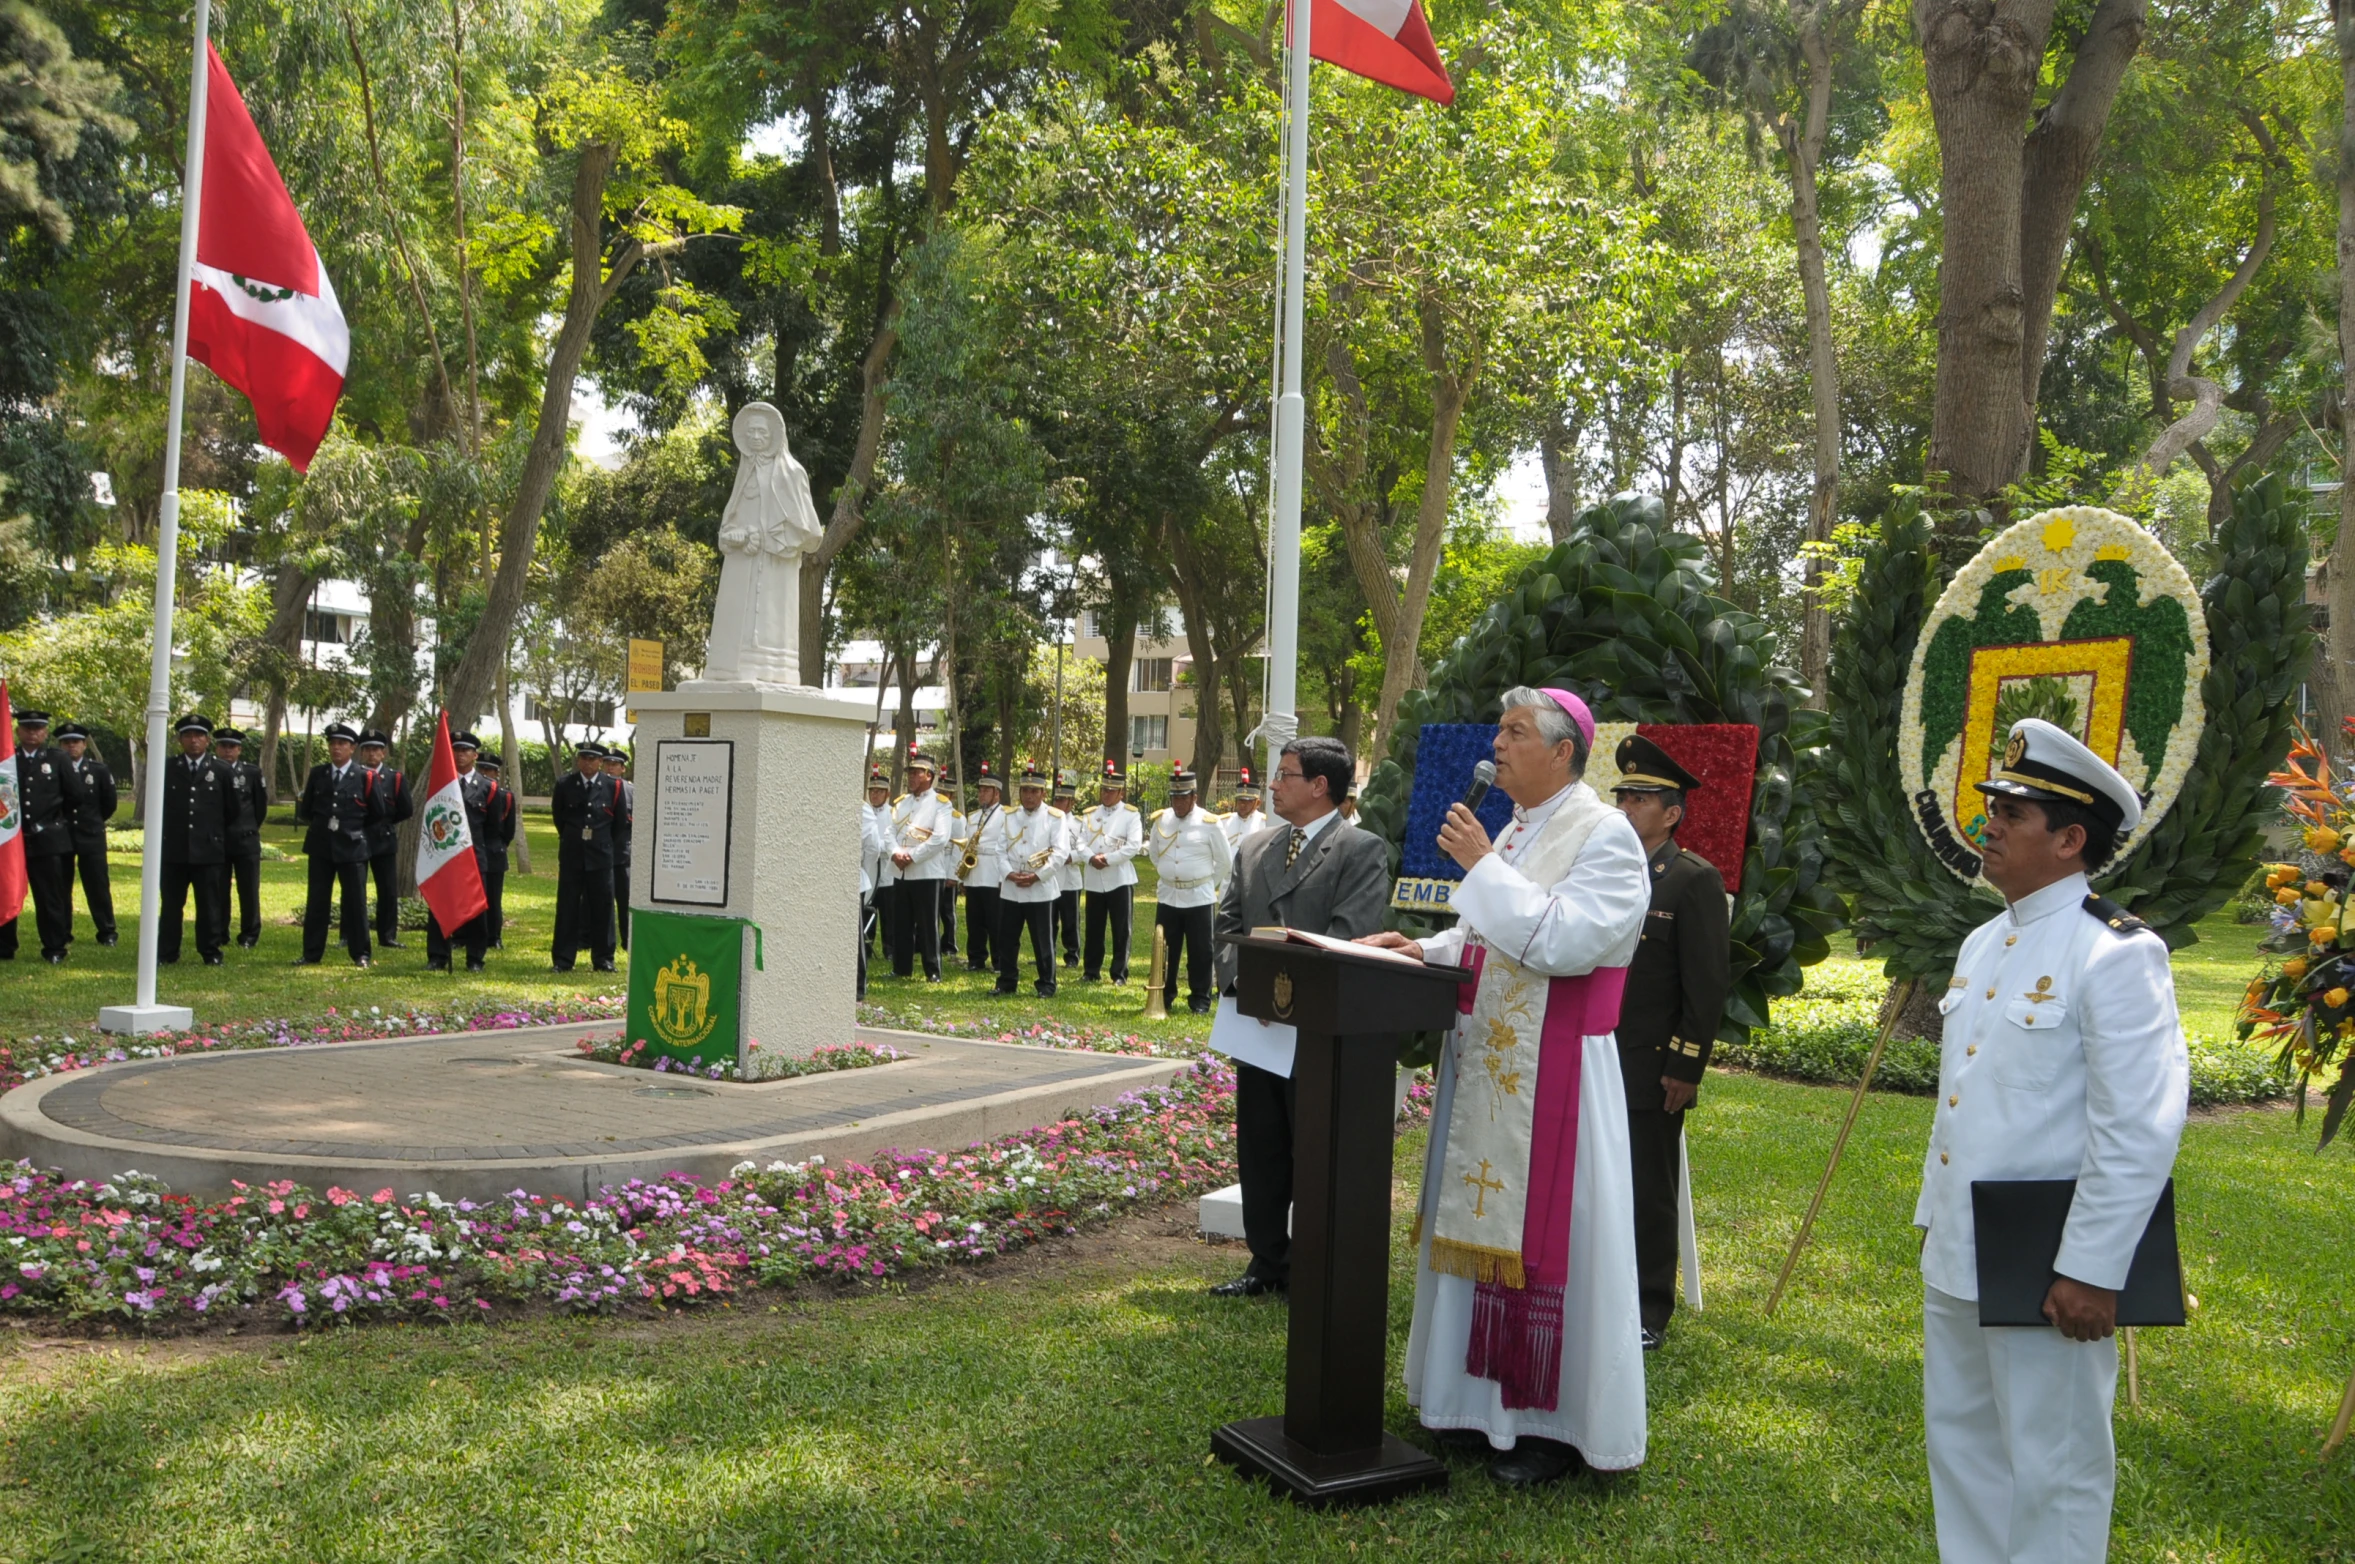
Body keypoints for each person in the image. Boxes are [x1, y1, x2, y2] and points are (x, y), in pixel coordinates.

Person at [1360, 686, 1649, 1488]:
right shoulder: (1521, 830)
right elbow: (1490, 932)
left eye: (1515, 732)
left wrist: (1479, 866)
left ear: (1562, 751)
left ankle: (1547, 1427)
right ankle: (1469, 1404)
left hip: (1558, 1082)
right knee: (1474, 1223)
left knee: (1562, 1242)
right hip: (1491, 1065)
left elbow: (1562, 940)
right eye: (1500, 729)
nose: (1498, 744)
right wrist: (1425, 950)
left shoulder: (1606, 836)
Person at [1917, 717, 2187, 1562]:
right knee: (1961, 1451)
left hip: (2048, 1262)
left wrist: (2090, 1269)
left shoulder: (2114, 955)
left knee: (2055, 1467)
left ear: (2070, 840)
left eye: (2014, 813)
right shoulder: (1982, 940)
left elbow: (2137, 1127)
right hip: (1964, 1245)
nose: (1988, 823)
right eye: (1993, 805)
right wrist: (1934, 1218)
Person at [1209, 735, 1391, 1297]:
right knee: (1260, 1146)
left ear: (1320, 786)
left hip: (1313, 1027)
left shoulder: (1361, 849)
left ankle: (1314, 1266)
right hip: (1255, 1025)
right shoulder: (1256, 846)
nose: (1272, 784)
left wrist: (1282, 992)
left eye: (1285, 774)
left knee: (1312, 1147)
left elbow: (1348, 933)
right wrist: (1245, 983)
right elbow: (1227, 924)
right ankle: (1267, 1263)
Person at [1609, 733, 1730, 1350]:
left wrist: (1686, 1067)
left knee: (1647, 1190)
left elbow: (1704, 986)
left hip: (1651, 1067)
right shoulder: (1604, 874)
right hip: (1597, 1057)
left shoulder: (1690, 881)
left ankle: (1648, 1310)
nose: (1626, 806)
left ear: (1672, 812)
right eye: (1623, 796)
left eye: (1640, 798)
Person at [1145, 765, 1231, 1014]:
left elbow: (1224, 862)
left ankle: (1200, 999)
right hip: (1169, 895)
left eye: (1184, 798)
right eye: (1175, 798)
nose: (1178, 803)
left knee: (1201, 951)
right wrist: (1169, 874)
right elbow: (1154, 854)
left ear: (1194, 797)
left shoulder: (1210, 823)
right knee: (1165, 949)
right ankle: (1165, 994)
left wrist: (1203, 881)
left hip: (1199, 897)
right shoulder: (1162, 820)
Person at [0, 709, 82, 963]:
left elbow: (75, 796)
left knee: (50, 896)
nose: (33, 732)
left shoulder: (57, 759)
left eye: (38, 728)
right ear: (18, 730)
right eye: (27, 728)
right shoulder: (8, 758)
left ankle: (55, 947)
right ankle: (4, 946)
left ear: (46, 731)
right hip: (12, 838)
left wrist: (52, 823)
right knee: (6, 890)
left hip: (47, 838)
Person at [152, 715, 234, 966]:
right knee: (171, 904)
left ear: (208, 740)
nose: (194, 740)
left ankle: (210, 951)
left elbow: (232, 810)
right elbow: (158, 806)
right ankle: (167, 952)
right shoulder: (167, 767)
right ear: (180, 740)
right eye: (188, 735)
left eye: (199, 735)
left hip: (208, 850)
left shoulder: (220, 769)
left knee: (209, 904)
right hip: (174, 849)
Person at [294, 721, 377, 966]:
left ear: (353, 748)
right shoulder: (319, 773)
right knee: (317, 901)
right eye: (332, 743)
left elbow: (376, 813)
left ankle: (360, 953)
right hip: (321, 846)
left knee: (355, 902)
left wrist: (353, 830)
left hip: (352, 846)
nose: (336, 748)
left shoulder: (365, 776)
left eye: (342, 744)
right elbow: (307, 809)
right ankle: (311, 953)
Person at [994, 764, 1066, 997]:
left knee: (1042, 940)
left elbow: (1060, 852)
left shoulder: (1055, 817)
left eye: (1035, 791)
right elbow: (999, 850)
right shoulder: (1009, 816)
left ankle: (1046, 984)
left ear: (1043, 794)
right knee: (1007, 939)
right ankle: (1006, 982)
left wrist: (1038, 875)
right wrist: (1008, 873)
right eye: (1025, 790)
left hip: (1040, 887)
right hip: (1012, 885)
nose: (1029, 795)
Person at [428, 732, 498, 972]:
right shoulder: (443, 784)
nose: (460, 755)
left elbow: (493, 828)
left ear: (475, 755)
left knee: (476, 908)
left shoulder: (488, 788)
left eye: (465, 751)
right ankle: (437, 955)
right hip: (445, 854)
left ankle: (475, 958)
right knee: (440, 904)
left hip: (474, 856)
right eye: (456, 750)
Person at [884, 750, 954, 979]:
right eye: (910, 773)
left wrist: (912, 856)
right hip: (901, 872)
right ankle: (901, 968)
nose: (911, 777)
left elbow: (940, 838)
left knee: (927, 924)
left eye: (916, 773)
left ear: (929, 776)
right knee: (901, 922)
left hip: (926, 872)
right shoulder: (902, 803)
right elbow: (889, 832)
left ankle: (932, 970)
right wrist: (895, 852)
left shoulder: (941, 804)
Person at [551, 742, 618, 972]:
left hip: (601, 856)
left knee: (603, 908)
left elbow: (617, 825)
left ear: (601, 762)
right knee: (568, 906)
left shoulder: (613, 786)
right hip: (572, 855)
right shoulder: (565, 784)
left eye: (592, 759)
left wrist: (602, 843)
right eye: (584, 758)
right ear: (578, 760)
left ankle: (604, 958)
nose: (587, 763)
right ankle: (563, 959)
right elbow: (559, 818)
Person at [1079, 761, 1145, 982]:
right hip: (1095, 879)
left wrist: (1106, 859)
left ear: (1121, 792)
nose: (1106, 794)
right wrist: (1090, 857)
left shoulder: (1130, 815)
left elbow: (1133, 846)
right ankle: (1091, 971)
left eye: (1111, 790)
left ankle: (1119, 973)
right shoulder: (1090, 814)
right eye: (1104, 789)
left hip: (1119, 878)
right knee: (1094, 928)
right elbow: (1079, 842)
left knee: (1121, 929)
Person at [54, 723, 118, 947]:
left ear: (84, 745)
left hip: (90, 835)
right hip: (62, 834)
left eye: (76, 742)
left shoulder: (98, 770)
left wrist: (93, 822)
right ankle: (62, 931)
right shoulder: (53, 769)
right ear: (60, 745)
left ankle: (107, 931)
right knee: (61, 886)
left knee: (97, 885)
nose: (71, 746)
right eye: (66, 742)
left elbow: (109, 803)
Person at [214, 727, 270, 949]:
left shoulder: (251, 773)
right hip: (218, 839)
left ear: (239, 749)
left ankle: (249, 934)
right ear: (217, 748)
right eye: (224, 746)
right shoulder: (212, 771)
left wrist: (248, 827)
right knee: (219, 889)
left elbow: (260, 807)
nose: (228, 751)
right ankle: (219, 932)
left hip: (245, 839)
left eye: (232, 747)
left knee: (248, 889)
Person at [357, 730, 413, 951]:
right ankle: (348, 934)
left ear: (384, 753)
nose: (372, 754)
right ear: (362, 753)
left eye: (376, 749)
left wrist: (385, 822)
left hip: (383, 839)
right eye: (368, 749)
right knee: (355, 889)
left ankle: (387, 935)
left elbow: (405, 809)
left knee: (387, 890)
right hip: (357, 839)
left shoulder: (395, 779)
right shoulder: (355, 775)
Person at [959, 766, 1006, 974]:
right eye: (980, 790)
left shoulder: (1005, 815)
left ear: (997, 793)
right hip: (974, 872)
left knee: (995, 920)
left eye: (986, 790)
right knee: (974, 919)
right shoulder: (973, 816)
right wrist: (962, 875)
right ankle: (976, 959)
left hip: (993, 871)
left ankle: (999, 960)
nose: (981, 794)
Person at [476, 753, 517, 947]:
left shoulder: (505, 797)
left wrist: (498, 846)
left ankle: (494, 937)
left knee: (493, 897)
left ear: (496, 773)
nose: (484, 773)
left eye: (488, 770)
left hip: (494, 851)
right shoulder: (468, 791)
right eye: (481, 769)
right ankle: (463, 936)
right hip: (472, 849)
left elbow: (509, 830)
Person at [602, 745, 635, 951]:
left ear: (623, 769)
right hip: (599, 852)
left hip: (622, 853)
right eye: (607, 763)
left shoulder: (632, 791)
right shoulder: (597, 788)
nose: (610, 768)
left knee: (625, 900)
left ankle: (628, 939)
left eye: (614, 765)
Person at [862, 765, 893, 968]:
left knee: (890, 914)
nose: (874, 794)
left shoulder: (894, 813)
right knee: (867, 908)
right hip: (869, 868)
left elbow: (895, 840)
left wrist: (881, 847)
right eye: (872, 791)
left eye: (879, 791)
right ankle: (866, 946)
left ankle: (890, 949)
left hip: (889, 869)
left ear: (887, 794)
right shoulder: (864, 812)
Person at [1052, 774, 1083, 967]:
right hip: (1051, 876)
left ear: (1071, 802)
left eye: (1062, 800)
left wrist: (1068, 857)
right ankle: (1049, 951)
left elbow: (1083, 849)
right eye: (1056, 799)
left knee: (1070, 920)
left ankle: (1072, 955)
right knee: (1049, 919)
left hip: (1070, 878)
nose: (1057, 803)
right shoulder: (1049, 821)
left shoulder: (1079, 824)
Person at [935, 778, 962, 959]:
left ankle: (949, 943)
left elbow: (959, 848)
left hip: (947, 864)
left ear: (951, 796)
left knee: (947, 911)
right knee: (931, 910)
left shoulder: (957, 819)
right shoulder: (931, 814)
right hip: (932, 867)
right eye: (940, 792)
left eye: (946, 793)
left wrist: (953, 874)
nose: (942, 796)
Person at [1220, 767, 1269, 856]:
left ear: (1257, 803)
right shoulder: (1224, 821)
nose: (1243, 804)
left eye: (1248, 801)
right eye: (1240, 800)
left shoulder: (1265, 823)